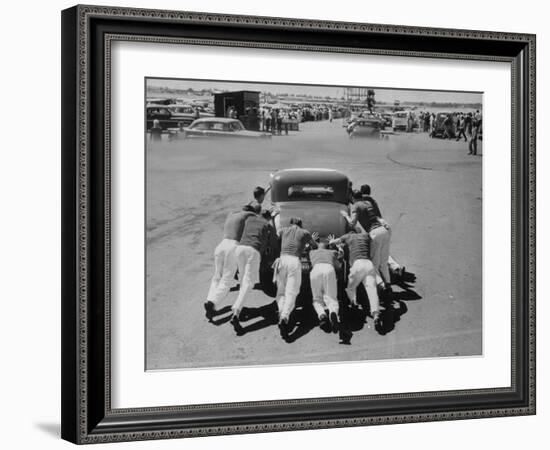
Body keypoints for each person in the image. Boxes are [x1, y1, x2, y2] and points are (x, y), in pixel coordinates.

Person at [204, 205, 258, 319]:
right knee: (227, 280)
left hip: (221, 246)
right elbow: (257, 217)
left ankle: (209, 300)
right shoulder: (249, 215)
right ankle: (212, 302)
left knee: (217, 276)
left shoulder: (232, 213)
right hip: (232, 247)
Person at [274, 217, 318, 339]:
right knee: (292, 293)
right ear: (300, 224)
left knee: (281, 292)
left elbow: (275, 236)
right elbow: (315, 246)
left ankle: (282, 312)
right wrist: (311, 241)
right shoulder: (304, 232)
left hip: (281, 260)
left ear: (291, 224)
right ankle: (284, 317)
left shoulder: (283, 230)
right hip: (294, 261)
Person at [328, 230, 383, 330]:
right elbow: (375, 242)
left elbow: (334, 242)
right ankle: (376, 315)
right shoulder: (365, 236)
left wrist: (332, 240)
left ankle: (354, 302)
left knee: (351, 288)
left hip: (357, 265)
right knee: (372, 290)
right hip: (369, 264)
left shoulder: (348, 237)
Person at [230, 207, 272, 334]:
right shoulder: (267, 225)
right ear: (268, 218)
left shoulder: (250, 219)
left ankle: (239, 307)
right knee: (249, 284)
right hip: (253, 251)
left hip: (240, 249)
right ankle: (236, 311)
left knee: (243, 283)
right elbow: (267, 243)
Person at [341, 190, 392, 286]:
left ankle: (382, 285)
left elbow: (352, 223)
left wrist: (346, 216)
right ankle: (388, 283)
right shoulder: (368, 203)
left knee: (373, 263)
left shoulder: (356, 206)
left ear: (353, 198)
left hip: (374, 233)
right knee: (384, 262)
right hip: (383, 230)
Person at [359, 184, 405, 279]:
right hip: (384, 225)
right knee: (383, 251)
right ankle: (395, 267)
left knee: (376, 253)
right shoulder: (372, 201)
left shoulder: (362, 200)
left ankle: (380, 280)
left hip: (376, 228)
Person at [309, 241, 342, 333]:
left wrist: (313, 242)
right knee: (331, 297)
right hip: (329, 269)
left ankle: (322, 315)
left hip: (316, 270)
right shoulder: (331, 252)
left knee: (317, 298)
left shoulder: (312, 252)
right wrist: (337, 246)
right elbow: (341, 256)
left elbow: (308, 247)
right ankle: (333, 312)